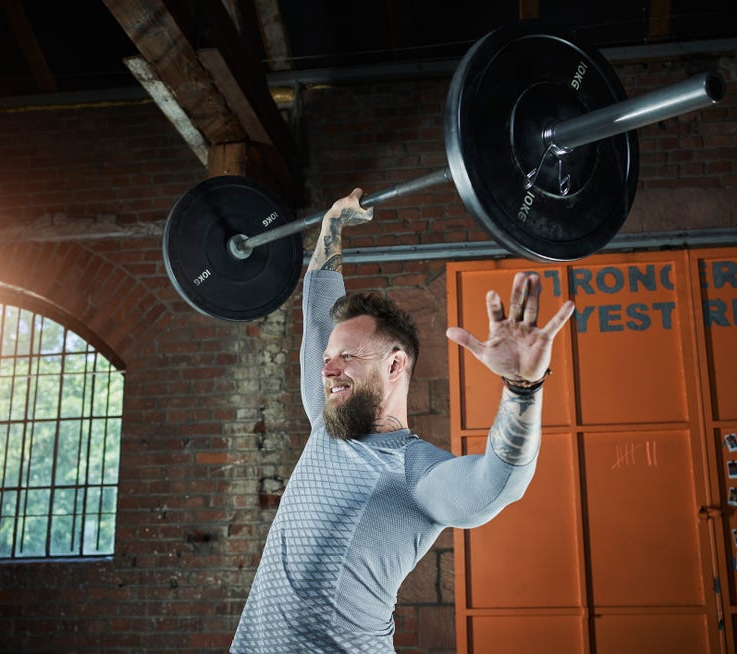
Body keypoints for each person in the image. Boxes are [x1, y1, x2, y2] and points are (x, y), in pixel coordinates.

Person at [230, 189, 576, 653]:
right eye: (328, 358)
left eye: (347, 356)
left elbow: (497, 483)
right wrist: (333, 226)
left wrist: (522, 388)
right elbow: (316, 319)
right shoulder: (327, 424)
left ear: (394, 366)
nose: (327, 368)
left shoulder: (414, 474)